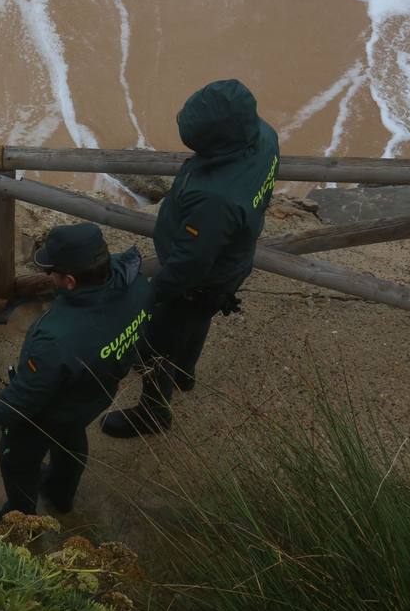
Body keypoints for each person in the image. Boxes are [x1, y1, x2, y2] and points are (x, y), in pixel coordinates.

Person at [101, 78, 279, 438]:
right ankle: (184, 372)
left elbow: (189, 265)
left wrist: (151, 295)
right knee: (197, 320)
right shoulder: (263, 135)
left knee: (159, 338)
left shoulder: (216, 200)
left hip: (200, 278)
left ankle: (154, 413)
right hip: (232, 263)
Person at [0, 224, 152, 527]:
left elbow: (26, 396)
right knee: (70, 437)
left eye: (52, 272)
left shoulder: (57, 338)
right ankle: (61, 494)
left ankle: (20, 519)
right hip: (96, 394)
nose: (48, 277)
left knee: (16, 459)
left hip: (50, 409)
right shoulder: (136, 284)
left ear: (69, 281)